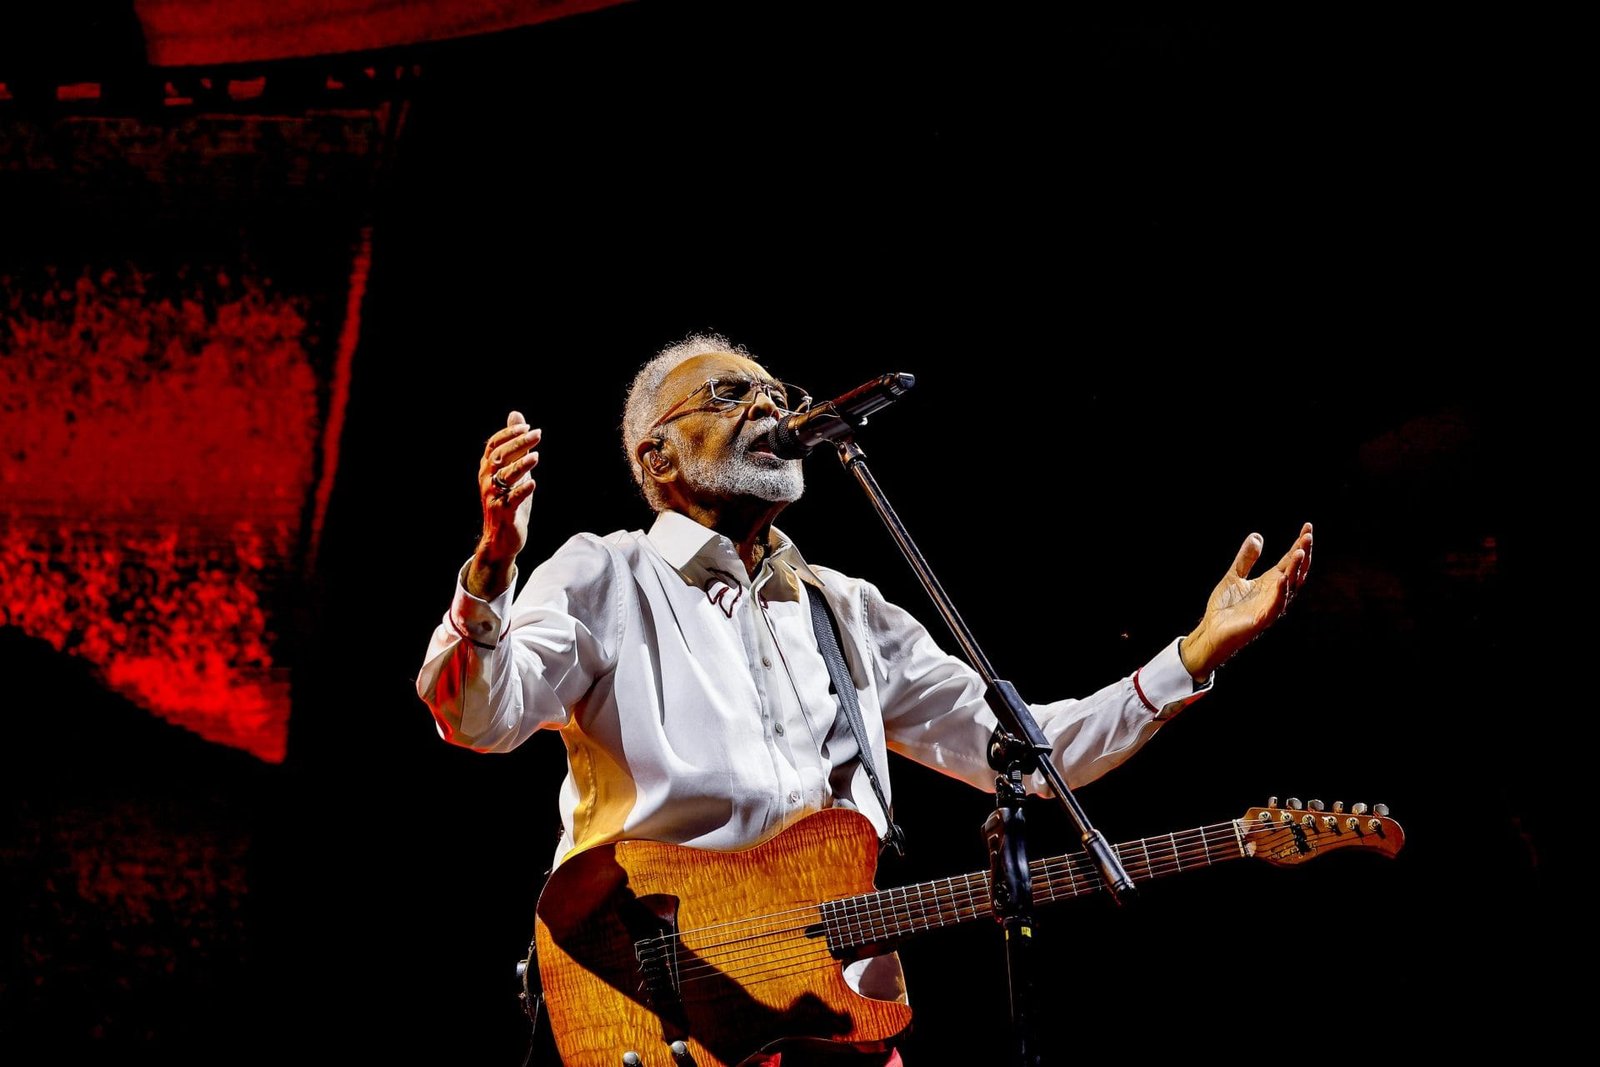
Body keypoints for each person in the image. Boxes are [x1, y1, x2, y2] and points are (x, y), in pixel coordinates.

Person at [416, 333, 1313, 1067]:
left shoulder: (845, 610)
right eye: (733, 394)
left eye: (778, 390)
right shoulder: (605, 571)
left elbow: (1036, 758)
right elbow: (478, 715)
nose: (772, 406)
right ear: (658, 455)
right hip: (656, 1001)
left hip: (840, 1024)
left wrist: (1191, 654)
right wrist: (492, 569)